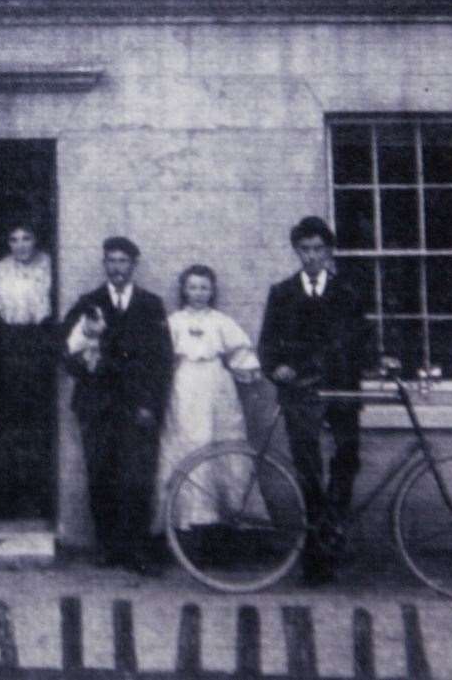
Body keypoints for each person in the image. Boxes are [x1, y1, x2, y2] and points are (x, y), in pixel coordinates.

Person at [258, 216, 375, 585]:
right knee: (307, 468)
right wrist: (276, 369)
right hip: (301, 394)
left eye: (319, 250)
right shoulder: (282, 293)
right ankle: (316, 554)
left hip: (341, 390)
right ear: (297, 251)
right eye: (305, 250)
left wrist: (378, 360)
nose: (311, 257)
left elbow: (363, 339)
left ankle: (332, 531)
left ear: (329, 252)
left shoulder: (349, 292)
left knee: (347, 459)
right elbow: (267, 345)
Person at [61, 235, 174, 576]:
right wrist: (85, 366)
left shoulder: (151, 304)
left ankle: (135, 549)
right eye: (111, 261)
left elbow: (162, 360)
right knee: (101, 475)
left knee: (137, 476)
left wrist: (150, 405)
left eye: (123, 261)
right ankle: (108, 547)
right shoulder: (89, 302)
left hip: (136, 405)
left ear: (133, 265)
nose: (117, 268)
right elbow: (65, 349)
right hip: (97, 404)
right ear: (104, 264)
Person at [153, 265, 261, 542]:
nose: (198, 293)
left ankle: (222, 523)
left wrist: (245, 369)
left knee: (220, 446)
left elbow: (240, 351)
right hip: (184, 388)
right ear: (183, 290)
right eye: (192, 287)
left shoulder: (221, 322)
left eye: (204, 287)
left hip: (216, 388)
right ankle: (186, 522)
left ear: (212, 291)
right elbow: (162, 357)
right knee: (188, 443)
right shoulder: (174, 322)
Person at [0, 220, 56, 520]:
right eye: (14, 239)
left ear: (36, 240)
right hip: (7, 344)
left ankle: (38, 497)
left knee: (37, 422)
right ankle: (7, 498)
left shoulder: (50, 265)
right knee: (8, 422)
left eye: (26, 238)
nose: (21, 245)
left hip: (39, 341)